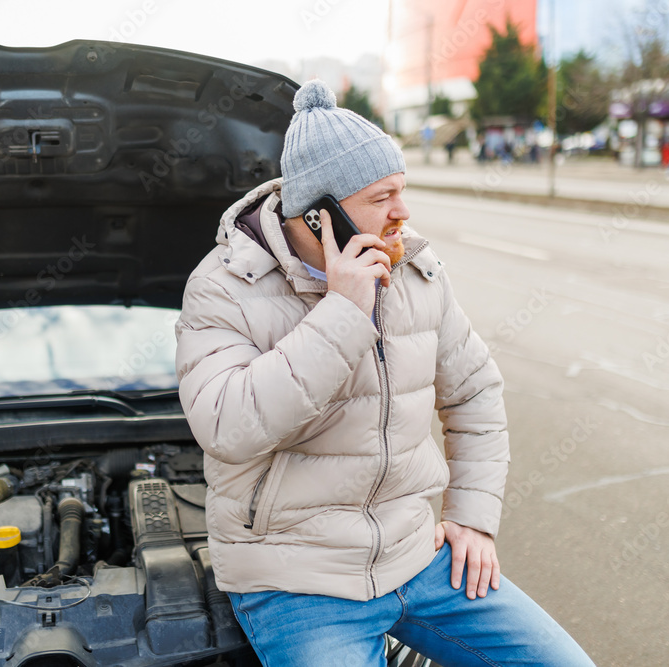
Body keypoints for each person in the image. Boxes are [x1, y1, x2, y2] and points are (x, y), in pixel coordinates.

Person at [175, 80, 594, 667]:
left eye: (402, 190)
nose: (402, 212)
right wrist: (343, 312)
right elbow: (229, 426)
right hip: (297, 578)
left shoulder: (415, 270)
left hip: (417, 557)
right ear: (320, 217)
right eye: (381, 197)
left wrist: (472, 518)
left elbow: (476, 394)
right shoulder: (225, 284)